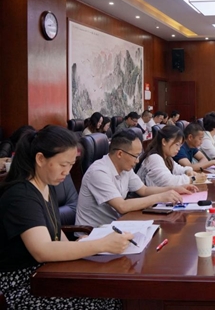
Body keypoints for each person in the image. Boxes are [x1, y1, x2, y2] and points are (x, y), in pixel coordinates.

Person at [0, 125, 131, 309]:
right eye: (63, 165)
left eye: (71, 165)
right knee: (105, 301)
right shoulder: (21, 196)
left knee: (112, 294)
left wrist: (76, 245)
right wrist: (101, 244)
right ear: (40, 159)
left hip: (49, 273)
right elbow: (42, 250)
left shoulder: (46, 186)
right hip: (24, 285)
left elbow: (55, 231)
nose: (67, 172)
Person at [76, 130, 196, 228]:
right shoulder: (98, 172)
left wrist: (175, 189)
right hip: (93, 233)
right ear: (120, 154)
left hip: (117, 225)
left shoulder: (125, 168)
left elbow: (144, 190)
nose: (138, 160)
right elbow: (122, 206)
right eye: (136, 156)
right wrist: (160, 197)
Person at [137, 126, 204, 187]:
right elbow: (169, 182)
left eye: (180, 145)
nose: (179, 149)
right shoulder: (154, 158)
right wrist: (192, 179)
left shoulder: (167, 157)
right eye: (177, 144)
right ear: (164, 141)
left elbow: (178, 169)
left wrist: (187, 171)